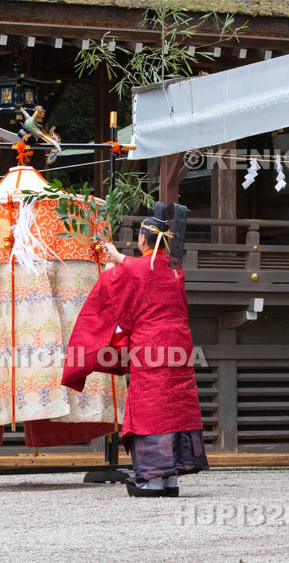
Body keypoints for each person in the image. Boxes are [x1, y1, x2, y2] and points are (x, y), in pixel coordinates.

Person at [62, 202, 207, 497]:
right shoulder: (176, 270)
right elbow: (142, 269)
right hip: (179, 345)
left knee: (150, 407)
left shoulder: (134, 269)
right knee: (176, 404)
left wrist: (111, 265)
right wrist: (119, 259)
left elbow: (114, 289)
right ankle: (170, 480)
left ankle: (151, 481)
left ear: (142, 239)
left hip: (150, 346)